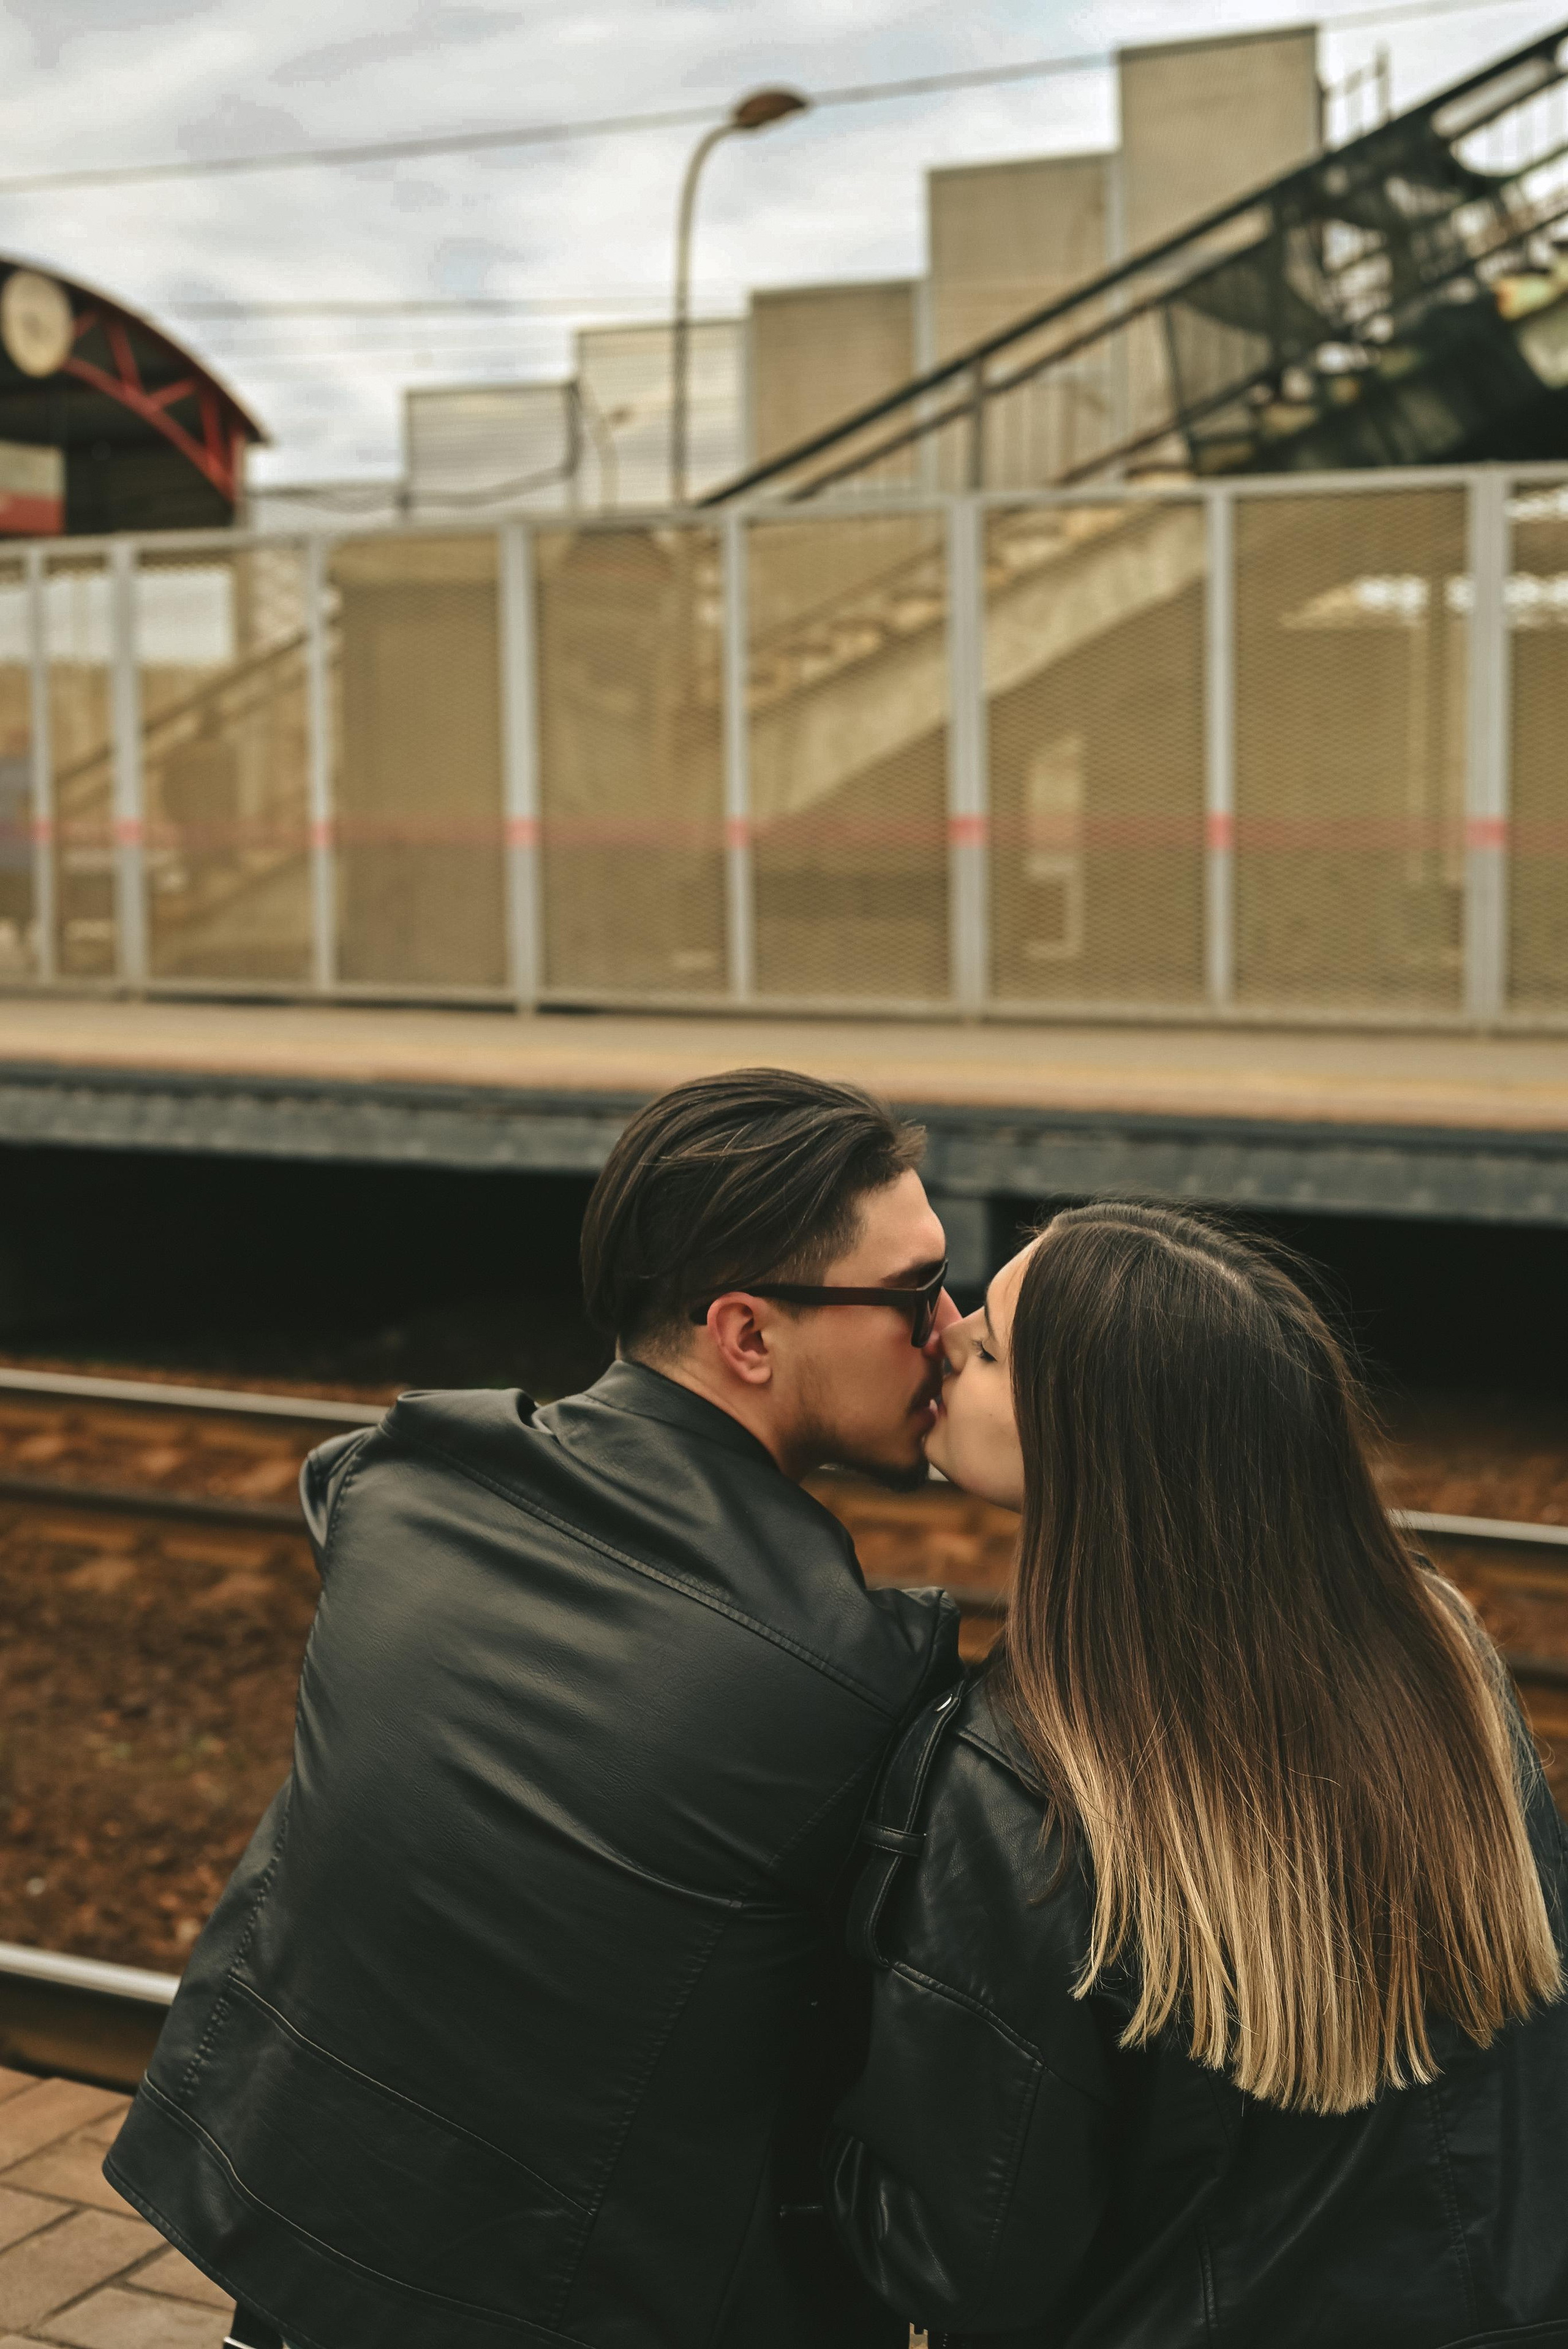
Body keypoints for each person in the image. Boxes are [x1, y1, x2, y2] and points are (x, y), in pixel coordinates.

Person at [105, 1067, 962, 2349]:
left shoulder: (400, 1483)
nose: (946, 1328)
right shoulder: (856, 1674)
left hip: (285, 2241)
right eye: (910, 1295)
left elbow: (340, 1478)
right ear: (745, 1335)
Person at [828, 1202, 1568, 2349]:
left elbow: (963, 2264)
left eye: (985, 1348)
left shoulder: (1036, 1779)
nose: (942, 1331)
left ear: (1088, 1437)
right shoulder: (1443, 1659)